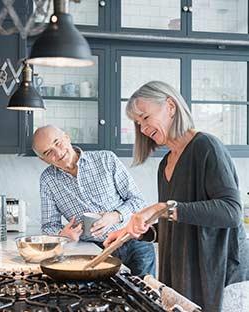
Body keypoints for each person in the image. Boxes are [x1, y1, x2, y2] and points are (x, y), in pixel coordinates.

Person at [104, 81, 249, 312]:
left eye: (145, 117)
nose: (142, 128)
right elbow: (177, 222)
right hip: (184, 272)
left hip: (217, 273)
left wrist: (162, 208)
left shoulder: (206, 146)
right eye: (138, 122)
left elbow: (231, 212)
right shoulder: (166, 164)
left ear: (170, 106)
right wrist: (140, 233)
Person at [32, 125, 156, 277]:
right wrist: (62, 235)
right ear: (42, 159)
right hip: (96, 251)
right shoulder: (48, 180)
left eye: (57, 143)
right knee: (108, 298)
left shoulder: (106, 159)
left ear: (67, 137)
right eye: (48, 152)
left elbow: (138, 202)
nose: (57, 153)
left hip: (134, 241)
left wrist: (115, 216)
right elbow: (48, 226)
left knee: (145, 295)